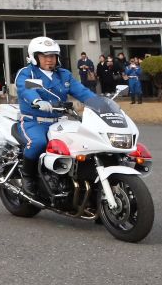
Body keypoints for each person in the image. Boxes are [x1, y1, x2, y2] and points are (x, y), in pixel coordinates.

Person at [14, 36, 100, 200]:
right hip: (34, 121)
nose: (49, 60)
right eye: (45, 56)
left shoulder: (64, 75)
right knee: (38, 143)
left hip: (59, 121)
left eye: (52, 56)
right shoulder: (28, 73)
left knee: (82, 143)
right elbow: (27, 90)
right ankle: (28, 177)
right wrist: (38, 101)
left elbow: (82, 92)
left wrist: (99, 103)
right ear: (35, 57)